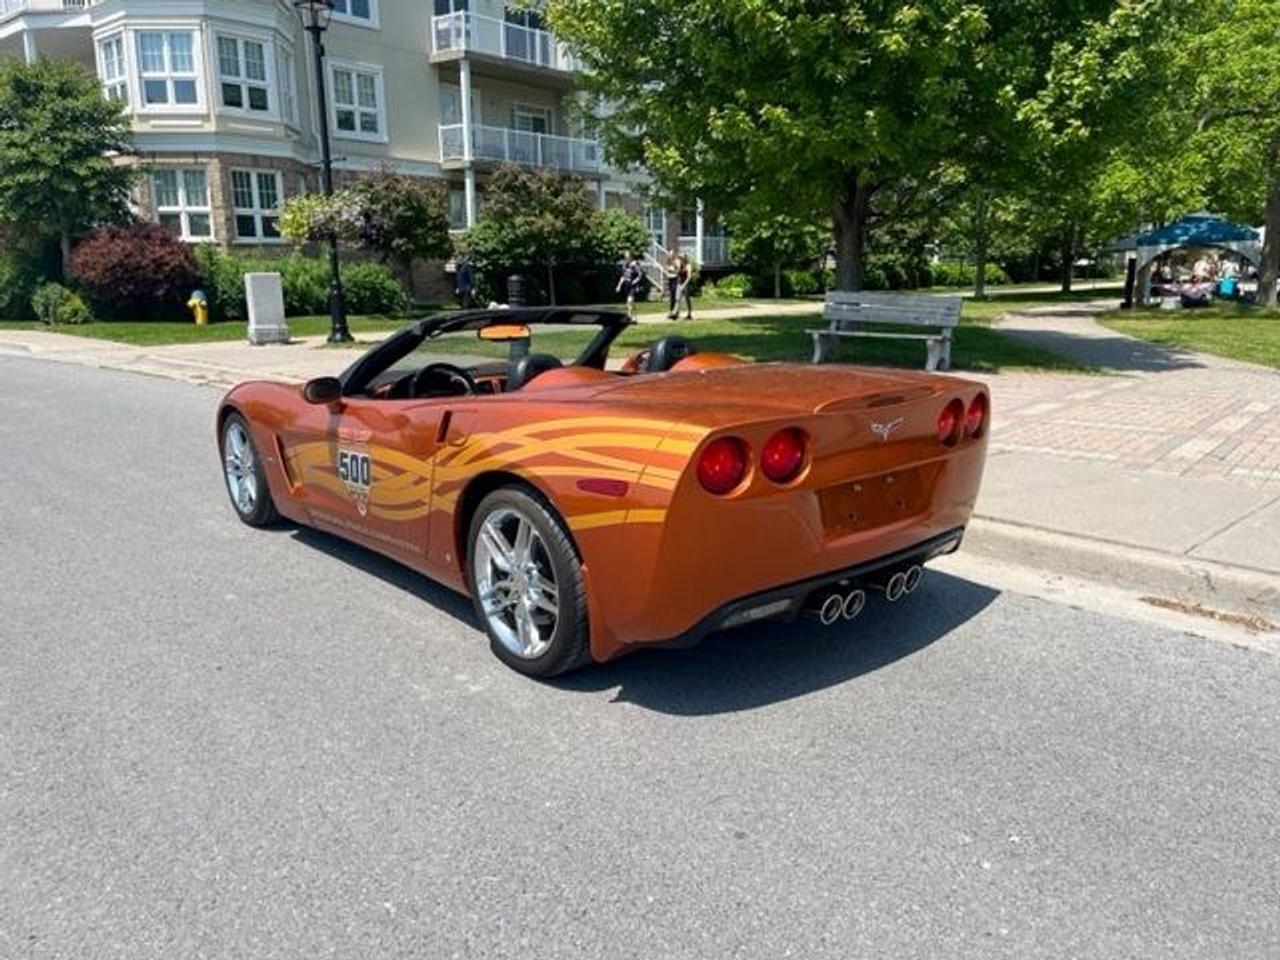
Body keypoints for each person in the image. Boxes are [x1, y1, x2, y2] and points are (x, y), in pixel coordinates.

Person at [616, 250, 643, 320]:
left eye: (628, 257)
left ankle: (629, 316)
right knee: (629, 303)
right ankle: (634, 315)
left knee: (630, 301)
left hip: (633, 285)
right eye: (625, 257)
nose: (626, 259)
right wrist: (619, 286)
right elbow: (623, 276)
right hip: (626, 285)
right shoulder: (625, 265)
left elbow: (640, 275)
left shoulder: (635, 264)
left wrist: (635, 281)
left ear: (631, 257)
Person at [674, 254, 694, 320]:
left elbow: (689, 277)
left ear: (684, 259)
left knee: (687, 299)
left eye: (681, 258)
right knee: (677, 299)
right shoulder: (680, 265)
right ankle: (676, 313)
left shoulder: (688, 266)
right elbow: (677, 273)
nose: (680, 259)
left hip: (686, 284)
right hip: (679, 283)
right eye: (679, 258)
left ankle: (689, 314)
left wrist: (684, 285)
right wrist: (678, 267)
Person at [664, 248, 679, 319]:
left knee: (675, 296)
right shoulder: (668, 261)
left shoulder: (676, 261)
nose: (671, 254)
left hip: (675, 279)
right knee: (671, 296)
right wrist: (670, 269)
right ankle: (671, 311)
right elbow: (666, 268)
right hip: (670, 279)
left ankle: (675, 312)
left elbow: (677, 270)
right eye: (670, 253)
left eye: (672, 253)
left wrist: (672, 269)